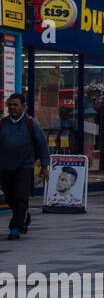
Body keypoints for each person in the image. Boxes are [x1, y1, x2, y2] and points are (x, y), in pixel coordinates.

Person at [1, 93, 50, 240]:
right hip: (4, 167)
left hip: (24, 166)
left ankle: (15, 227)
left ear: (23, 106)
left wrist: (45, 166)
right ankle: (25, 216)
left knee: (20, 196)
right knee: (9, 196)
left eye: (15, 105)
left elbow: (42, 146)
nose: (12, 107)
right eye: (10, 105)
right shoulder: (3, 124)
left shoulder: (31, 123)